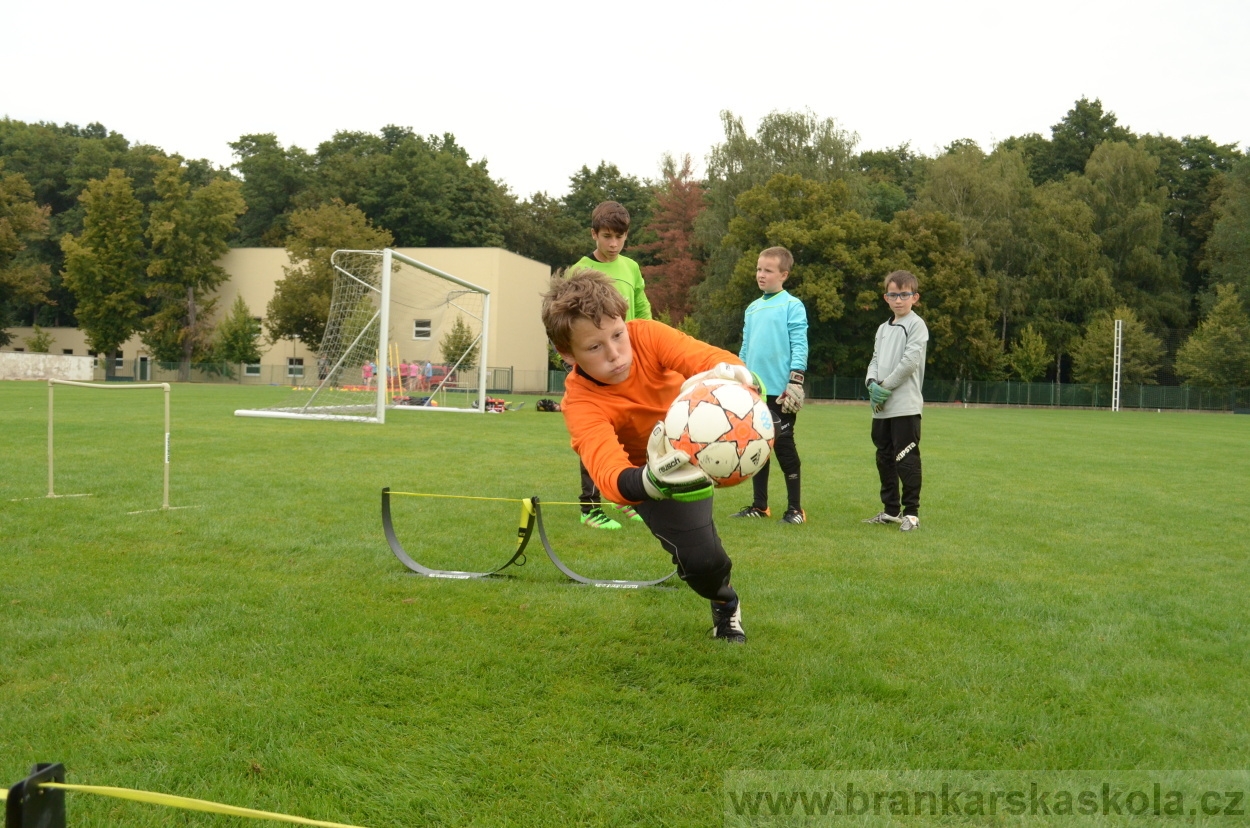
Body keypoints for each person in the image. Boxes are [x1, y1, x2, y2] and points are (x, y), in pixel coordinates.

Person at [542, 268, 754, 642]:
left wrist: (736, 375)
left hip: (700, 446)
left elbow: (708, 359)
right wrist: (654, 478)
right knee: (703, 562)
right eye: (594, 347)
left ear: (625, 323)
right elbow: (609, 474)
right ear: (567, 354)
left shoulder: (648, 334)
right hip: (653, 476)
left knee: (703, 555)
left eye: (617, 335)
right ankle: (725, 602)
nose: (615, 354)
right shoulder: (579, 402)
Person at [568, 200, 651, 530]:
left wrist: (646, 349)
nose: (614, 244)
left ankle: (626, 497)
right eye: (607, 236)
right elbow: (563, 321)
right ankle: (590, 509)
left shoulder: (631, 268)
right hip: (593, 370)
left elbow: (642, 310)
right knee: (595, 434)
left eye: (620, 237)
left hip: (628, 366)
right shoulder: (579, 271)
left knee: (629, 432)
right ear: (594, 234)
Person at [729, 246, 809, 525]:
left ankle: (795, 509)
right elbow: (746, 347)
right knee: (756, 449)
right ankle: (760, 506)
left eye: (768, 270)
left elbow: (800, 344)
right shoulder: (752, 308)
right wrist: (739, 377)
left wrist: (795, 380)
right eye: (759, 269)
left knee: (784, 448)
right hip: (753, 391)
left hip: (780, 391)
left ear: (784, 275)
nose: (761, 275)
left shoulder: (792, 305)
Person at [862, 270, 929, 532]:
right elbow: (875, 360)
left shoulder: (916, 324)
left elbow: (909, 363)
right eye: (893, 294)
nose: (898, 300)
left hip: (905, 406)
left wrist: (884, 387)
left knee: (906, 458)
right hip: (881, 408)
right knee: (884, 458)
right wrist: (871, 384)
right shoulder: (882, 328)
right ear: (885, 297)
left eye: (904, 294)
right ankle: (891, 511)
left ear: (915, 297)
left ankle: (911, 514)